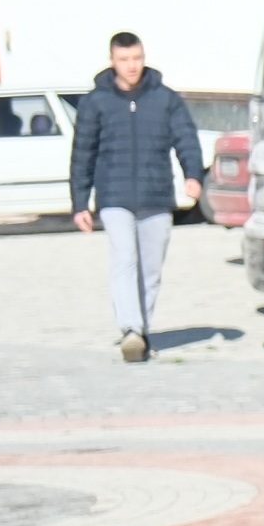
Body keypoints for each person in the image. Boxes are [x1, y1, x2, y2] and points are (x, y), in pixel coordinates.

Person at [67, 33, 206, 364]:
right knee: (125, 259)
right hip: (114, 197)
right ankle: (131, 328)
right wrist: (79, 203)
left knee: (151, 269)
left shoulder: (166, 99)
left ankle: (141, 331)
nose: (132, 66)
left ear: (144, 58)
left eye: (137, 58)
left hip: (156, 195)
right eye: (125, 60)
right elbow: (82, 153)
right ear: (113, 61)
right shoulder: (95, 102)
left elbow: (186, 137)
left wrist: (193, 174)